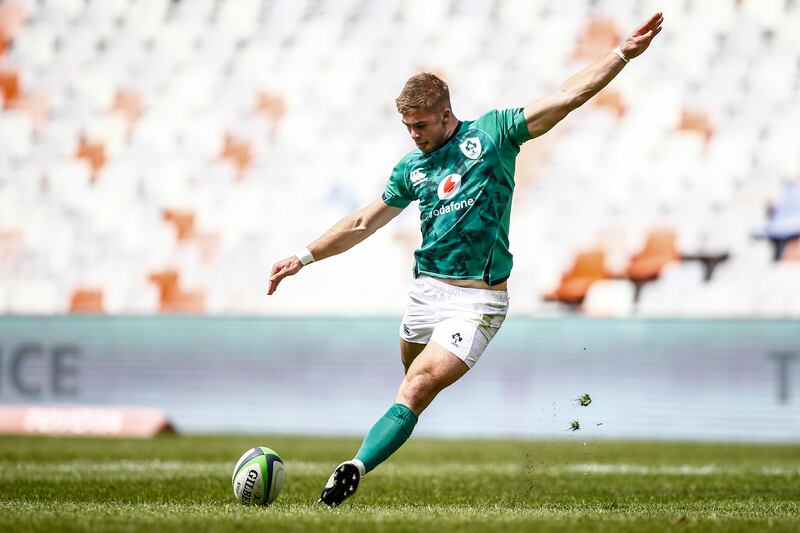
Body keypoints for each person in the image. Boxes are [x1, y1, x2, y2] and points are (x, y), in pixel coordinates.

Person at [267, 12, 664, 507]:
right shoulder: (411, 168)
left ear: (446, 113)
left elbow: (565, 97)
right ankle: (394, 425)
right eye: (407, 126)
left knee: (417, 387)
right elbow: (361, 222)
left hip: (477, 302)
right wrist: (302, 257)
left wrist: (621, 53)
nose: (413, 134)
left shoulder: (494, 135)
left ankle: (353, 468)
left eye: (421, 125)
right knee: (411, 379)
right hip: (425, 293)